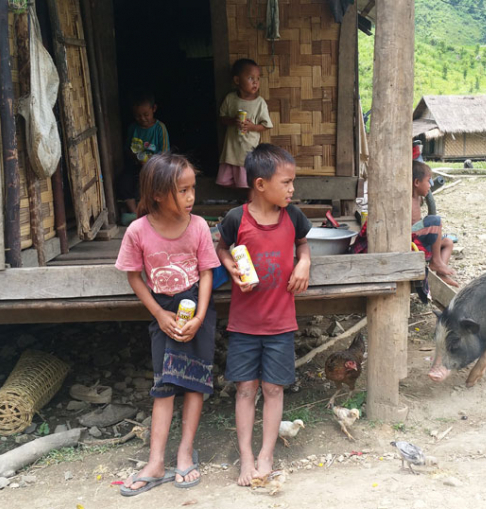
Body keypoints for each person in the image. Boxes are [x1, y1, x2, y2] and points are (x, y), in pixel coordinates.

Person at [115, 153, 219, 496]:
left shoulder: (199, 227)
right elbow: (134, 276)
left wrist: (201, 317)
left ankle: (185, 453)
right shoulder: (138, 231)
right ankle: (156, 462)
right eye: (183, 190)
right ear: (158, 194)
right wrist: (159, 315)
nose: (191, 197)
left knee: (195, 383)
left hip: (195, 308)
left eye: (192, 189)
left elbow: (206, 273)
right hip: (163, 312)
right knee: (164, 385)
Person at [216, 144, 311, 486]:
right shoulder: (236, 219)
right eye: (286, 182)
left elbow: (302, 243)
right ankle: (245, 457)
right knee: (245, 389)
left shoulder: (293, 216)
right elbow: (222, 247)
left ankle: (266, 454)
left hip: (281, 324)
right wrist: (231, 268)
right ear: (260, 185)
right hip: (244, 325)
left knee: (273, 389)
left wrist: (305, 262)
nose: (291, 189)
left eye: (292, 182)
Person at [217, 59, 273, 190]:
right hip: (232, 149)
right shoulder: (230, 99)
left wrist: (252, 127)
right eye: (250, 78)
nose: (255, 82)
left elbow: (266, 125)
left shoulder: (260, 103)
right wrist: (232, 121)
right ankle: (236, 202)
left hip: (248, 149)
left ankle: (248, 203)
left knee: (247, 183)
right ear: (237, 81)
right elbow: (222, 118)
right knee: (230, 181)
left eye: (258, 78)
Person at [118, 91, 170, 216]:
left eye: (146, 114)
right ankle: (135, 213)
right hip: (136, 164)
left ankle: (154, 211)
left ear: (154, 109)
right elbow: (127, 149)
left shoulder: (159, 128)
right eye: (138, 116)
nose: (142, 118)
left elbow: (164, 152)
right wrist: (136, 158)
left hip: (156, 166)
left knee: (155, 184)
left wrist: (150, 161)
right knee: (124, 183)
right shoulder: (133, 128)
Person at [412, 160, 458, 287]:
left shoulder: (419, 197)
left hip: (419, 238)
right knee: (435, 220)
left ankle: (442, 275)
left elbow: (426, 193)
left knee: (448, 242)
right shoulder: (407, 198)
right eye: (428, 181)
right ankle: (436, 261)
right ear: (416, 182)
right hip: (410, 241)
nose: (430, 185)